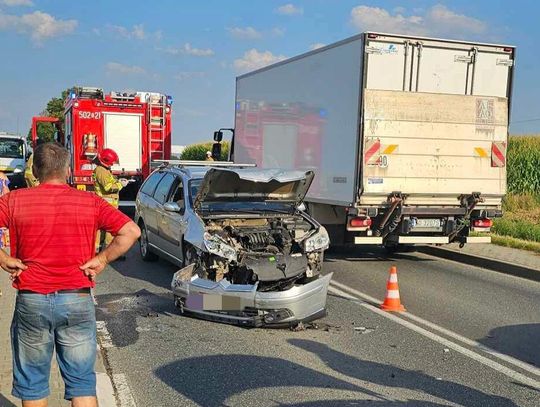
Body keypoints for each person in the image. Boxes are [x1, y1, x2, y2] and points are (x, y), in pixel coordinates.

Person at [0, 142, 140, 407]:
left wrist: (4, 259)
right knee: (82, 382)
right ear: (67, 170)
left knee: (33, 385)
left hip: (32, 300)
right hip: (76, 299)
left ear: (35, 170)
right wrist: (101, 259)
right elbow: (131, 231)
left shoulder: (14, 200)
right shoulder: (90, 201)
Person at [92, 148, 128, 252]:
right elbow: (108, 187)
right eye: (111, 163)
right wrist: (121, 184)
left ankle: (98, 250)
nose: (112, 165)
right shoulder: (101, 171)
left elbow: (108, 182)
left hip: (106, 205)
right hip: (106, 205)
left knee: (103, 229)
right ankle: (109, 251)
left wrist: (118, 180)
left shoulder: (104, 170)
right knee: (110, 228)